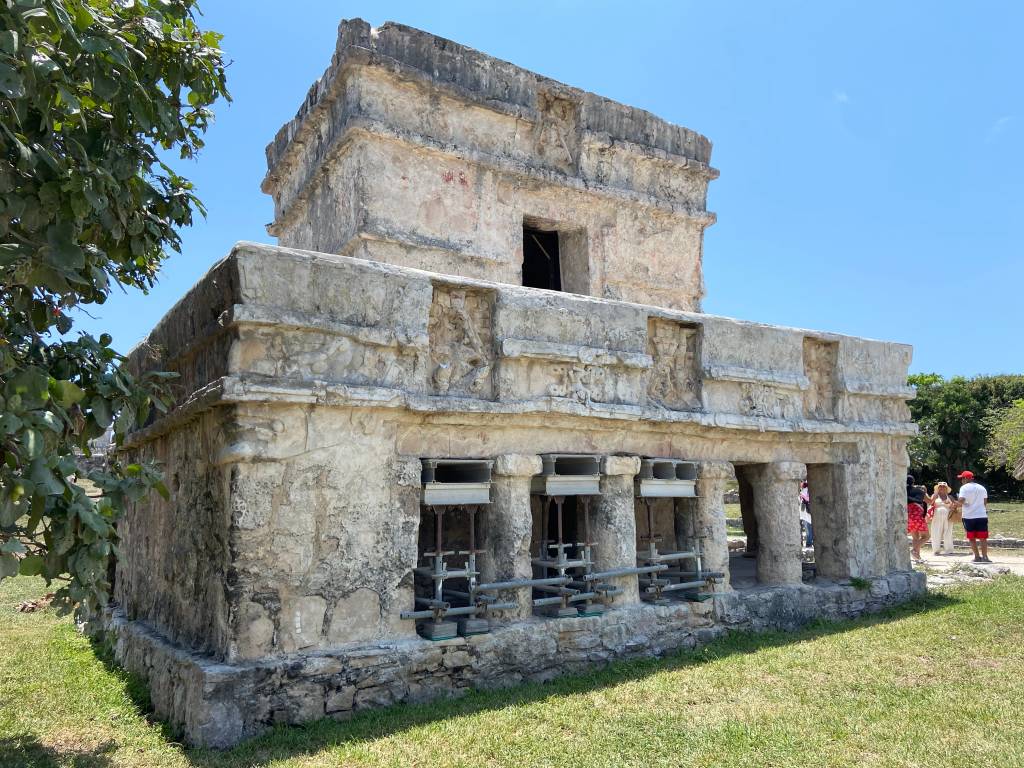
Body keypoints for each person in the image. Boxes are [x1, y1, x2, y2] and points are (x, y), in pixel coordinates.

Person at [955, 470, 990, 563]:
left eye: (962, 478)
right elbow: (985, 502)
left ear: (966, 478)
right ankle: (985, 557)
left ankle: (977, 557)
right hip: (982, 515)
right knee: (983, 538)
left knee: (972, 538)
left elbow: (961, 500)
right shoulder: (982, 488)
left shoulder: (964, 488)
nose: (961, 481)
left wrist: (955, 504)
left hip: (968, 516)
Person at [926, 481, 955, 555]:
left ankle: (949, 549)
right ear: (938, 488)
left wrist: (951, 506)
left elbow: (955, 506)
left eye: (943, 487)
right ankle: (936, 550)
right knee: (936, 532)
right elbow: (930, 504)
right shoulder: (934, 496)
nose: (942, 488)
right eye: (940, 487)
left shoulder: (950, 497)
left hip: (948, 517)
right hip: (936, 516)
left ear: (946, 488)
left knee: (948, 532)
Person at [906, 474, 928, 563]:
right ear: (913, 482)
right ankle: (914, 550)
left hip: (908, 516)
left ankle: (917, 557)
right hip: (917, 516)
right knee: (926, 536)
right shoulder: (919, 491)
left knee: (915, 537)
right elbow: (930, 501)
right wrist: (936, 493)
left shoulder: (903, 490)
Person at [799, 480, 813, 548]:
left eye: (800, 482)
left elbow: (808, 499)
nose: (799, 484)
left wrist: (802, 495)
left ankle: (809, 543)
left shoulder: (805, 489)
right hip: (804, 513)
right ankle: (808, 542)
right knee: (807, 527)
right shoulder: (804, 489)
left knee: (808, 527)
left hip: (807, 512)